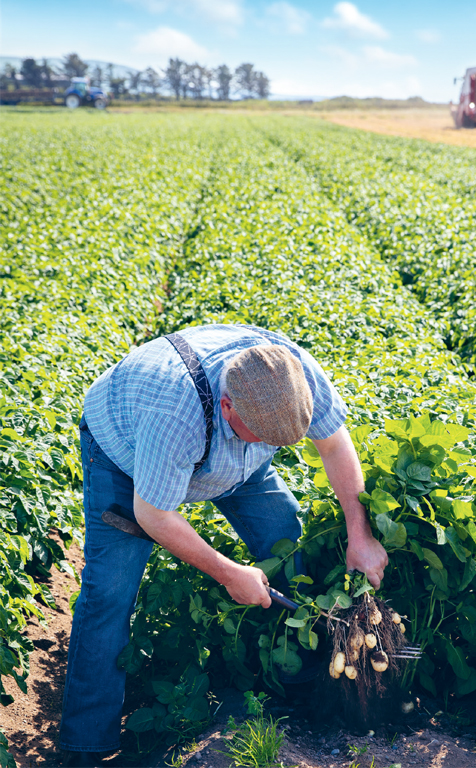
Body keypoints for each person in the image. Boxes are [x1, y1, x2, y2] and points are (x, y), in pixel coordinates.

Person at [59, 323, 388, 766]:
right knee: (110, 595)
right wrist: (228, 572)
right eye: (265, 437)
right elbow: (153, 514)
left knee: (289, 548)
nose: (274, 446)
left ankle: (307, 692)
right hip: (123, 454)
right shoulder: (173, 411)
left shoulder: (292, 375)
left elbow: (334, 446)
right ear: (229, 407)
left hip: (236, 463)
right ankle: (87, 747)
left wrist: (360, 534)